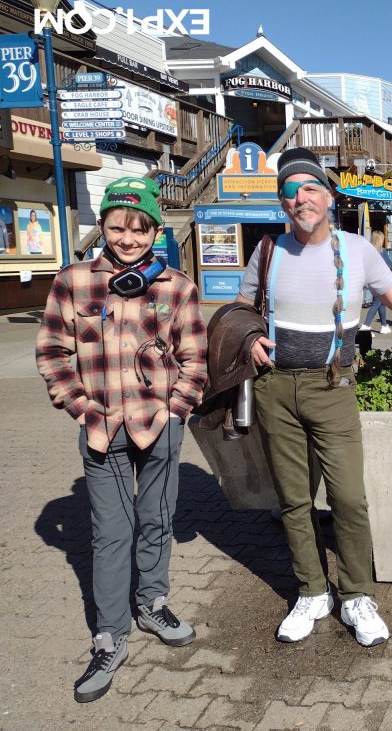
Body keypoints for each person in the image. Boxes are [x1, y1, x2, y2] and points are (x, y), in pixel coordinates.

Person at [235, 147, 392, 647]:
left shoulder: (357, 249)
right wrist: (249, 337)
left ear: (329, 196)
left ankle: (357, 594)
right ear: (282, 202)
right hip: (275, 389)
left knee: (348, 499)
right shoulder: (267, 250)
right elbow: (242, 309)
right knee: (294, 501)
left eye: (310, 187)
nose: (300, 198)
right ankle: (312, 590)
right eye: (290, 191)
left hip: (332, 387)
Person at [36, 177, 207, 703]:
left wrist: (176, 410)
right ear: (103, 228)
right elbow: (51, 353)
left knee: (157, 519)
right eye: (116, 228)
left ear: (155, 229)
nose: (128, 239)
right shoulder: (72, 281)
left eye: (139, 229)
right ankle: (110, 636)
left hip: (161, 426)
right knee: (111, 534)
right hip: (100, 428)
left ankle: (152, 601)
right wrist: (81, 408)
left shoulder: (176, 286)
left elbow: (195, 358)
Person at [361, 230, 392, 335]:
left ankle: (383, 325)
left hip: (370, 280)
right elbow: (390, 265)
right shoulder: (382, 251)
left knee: (381, 303)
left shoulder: (367, 251)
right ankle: (366, 326)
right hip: (381, 281)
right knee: (377, 303)